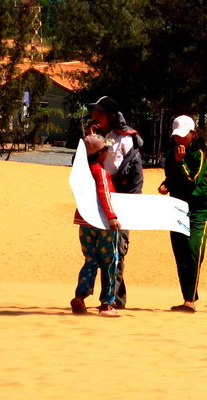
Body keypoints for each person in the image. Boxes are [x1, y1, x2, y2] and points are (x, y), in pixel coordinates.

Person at [86, 95, 144, 309]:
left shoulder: (124, 138)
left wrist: (96, 142)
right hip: (103, 202)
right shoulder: (102, 136)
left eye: (99, 113)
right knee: (105, 252)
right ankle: (115, 299)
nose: (94, 116)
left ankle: (110, 301)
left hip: (122, 203)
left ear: (111, 116)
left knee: (116, 251)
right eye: (94, 112)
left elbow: (118, 168)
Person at [158, 115, 207, 313]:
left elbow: (192, 181)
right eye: (176, 136)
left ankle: (190, 299)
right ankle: (187, 298)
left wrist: (180, 162)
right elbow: (171, 177)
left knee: (193, 251)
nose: (179, 140)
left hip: (198, 209)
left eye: (183, 136)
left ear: (193, 134)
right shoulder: (172, 152)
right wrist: (165, 185)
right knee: (180, 252)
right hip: (177, 206)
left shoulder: (198, 154)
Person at [70, 134, 122, 317]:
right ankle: (107, 304)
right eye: (105, 149)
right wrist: (112, 217)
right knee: (109, 262)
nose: (108, 152)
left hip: (84, 223)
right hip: (102, 223)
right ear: (100, 153)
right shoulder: (99, 171)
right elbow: (105, 194)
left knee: (90, 261)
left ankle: (81, 296)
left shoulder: (82, 171)